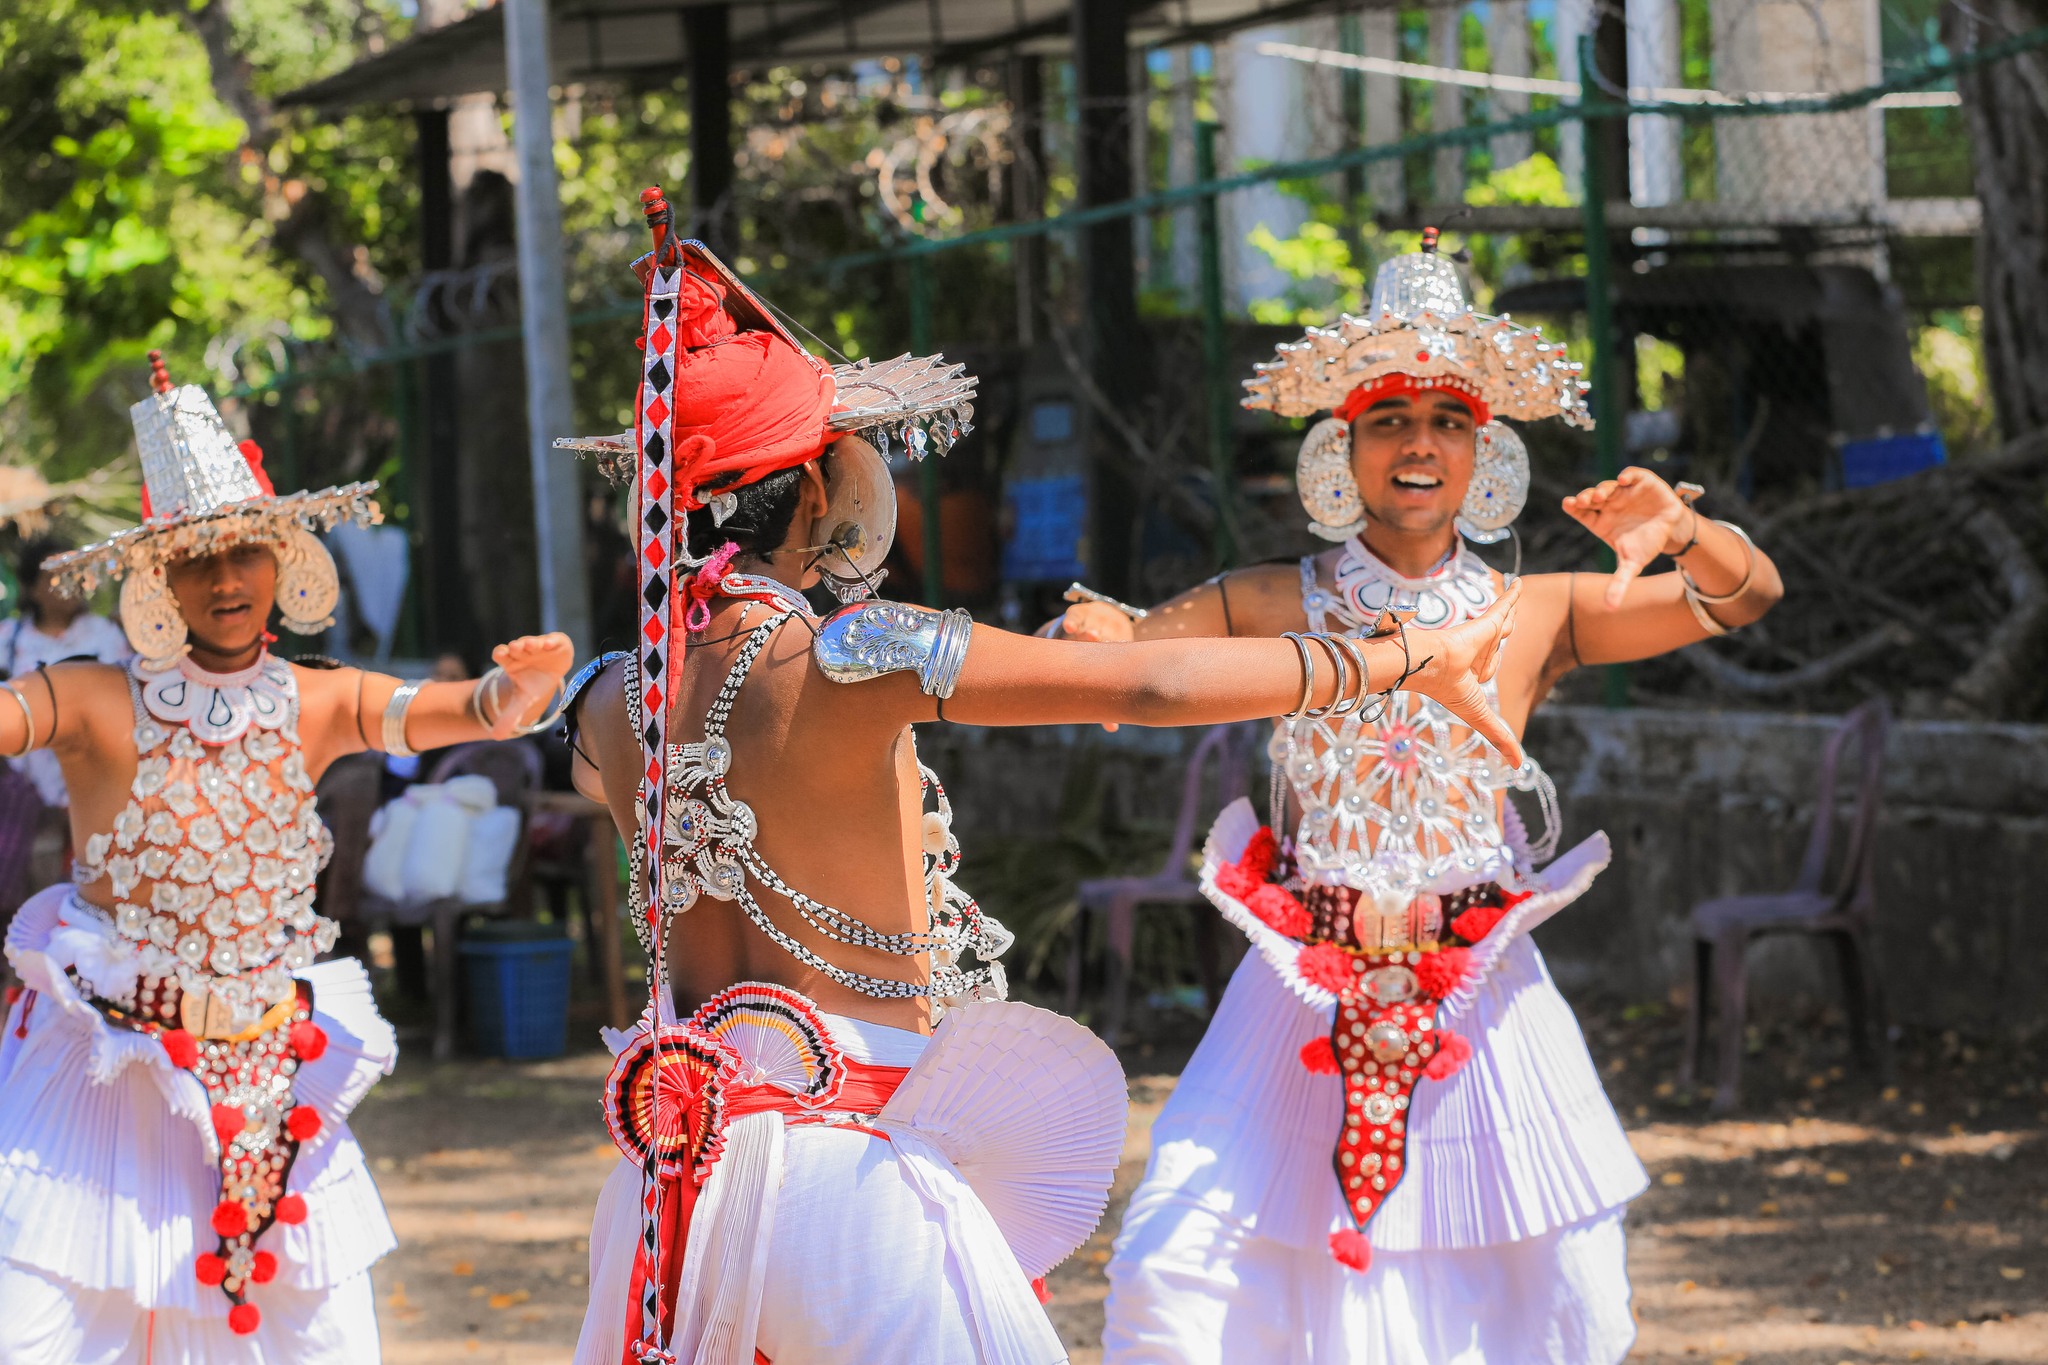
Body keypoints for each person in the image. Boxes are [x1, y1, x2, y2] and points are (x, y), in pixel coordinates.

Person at [555, 195, 1529, 1365]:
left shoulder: (608, 700)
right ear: (817, 495)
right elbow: (1151, 689)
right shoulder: (856, 655)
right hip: (849, 1184)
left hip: (673, 1196)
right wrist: (1408, 654)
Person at [1053, 232, 1784, 1364]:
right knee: (1173, 1276)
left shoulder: (1540, 610)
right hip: (1296, 982)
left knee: (1558, 1298)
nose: (1418, 444)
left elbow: (1743, 598)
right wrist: (1083, 630)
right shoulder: (1261, 600)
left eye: (1447, 421)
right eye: (1389, 419)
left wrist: (1683, 529)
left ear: (1481, 455)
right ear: (1338, 450)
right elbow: (1111, 670)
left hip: (1482, 989)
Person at [0, 352, 574, 1364]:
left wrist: (510, 693)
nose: (225, 579)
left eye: (246, 552)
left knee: (312, 1340)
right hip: (102, 1075)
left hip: (269, 1073)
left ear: (283, 559)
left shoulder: (319, 697)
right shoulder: (85, 694)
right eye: (196, 558)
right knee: (42, 1328)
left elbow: (455, 712)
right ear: (155, 575)